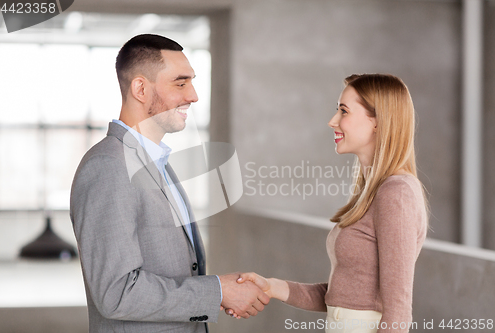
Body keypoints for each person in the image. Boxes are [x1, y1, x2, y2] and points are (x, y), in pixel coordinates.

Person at [70, 34, 269, 333]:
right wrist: (217, 291)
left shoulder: (157, 162)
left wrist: (219, 291)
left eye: (192, 82)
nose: (193, 95)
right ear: (140, 88)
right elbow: (116, 293)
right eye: (180, 83)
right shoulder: (108, 167)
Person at [233, 74, 429, 333]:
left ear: (379, 122)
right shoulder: (372, 191)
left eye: (343, 111)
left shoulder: (397, 193)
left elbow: (398, 313)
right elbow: (341, 296)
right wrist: (270, 286)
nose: (332, 121)